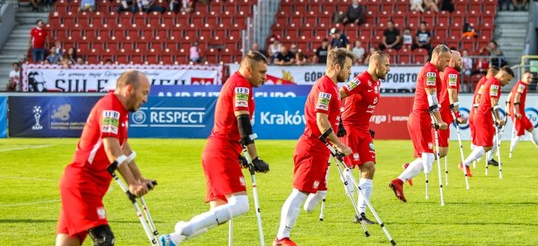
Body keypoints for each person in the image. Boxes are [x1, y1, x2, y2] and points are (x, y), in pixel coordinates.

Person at [160, 51, 270, 246]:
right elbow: (243, 121)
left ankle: (172, 239)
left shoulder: (238, 83)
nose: (265, 77)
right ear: (248, 69)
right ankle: (185, 227)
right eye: (261, 72)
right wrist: (254, 157)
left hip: (219, 150)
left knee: (219, 212)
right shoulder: (241, 85)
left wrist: (240, 155)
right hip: (221, 151)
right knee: (241, 205)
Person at [56, 70, 155, 246]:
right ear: (129, 89)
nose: (146, 99)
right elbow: (112, 147)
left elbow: (123, 147)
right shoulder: (110, 107)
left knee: (69, 241)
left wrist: (139, 178)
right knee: (104, 239)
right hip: (83, 183)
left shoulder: (120, 110)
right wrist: (132, 183)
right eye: (144, 92)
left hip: (89, 185)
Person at [273, 49, 354, 246]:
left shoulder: (332, 87)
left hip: (321, 148)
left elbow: (329, 118)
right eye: (348, 67)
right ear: (337, 67)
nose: (350, 72)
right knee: (299, 192)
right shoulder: (325, 87)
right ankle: (281, 238)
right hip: (311, 147)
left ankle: (299, 221)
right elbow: (321, 120)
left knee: (317, 191)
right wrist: (339, 144)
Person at [389, 45, 451, 203]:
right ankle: (400, 179)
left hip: (422, 117)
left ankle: (402, 177)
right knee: (428, 163)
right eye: (446, 60)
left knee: (428, 160)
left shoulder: (431, 70)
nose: (448, 63)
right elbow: (431, 98)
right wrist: (439, 120)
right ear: (438, 57)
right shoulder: (430, 71)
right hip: (421, 117)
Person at [339, 51, 390, 224]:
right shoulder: (360, 80)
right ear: (377, 65)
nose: (388, 69)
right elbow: (339, 93)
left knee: (369, 167)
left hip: (364, 130)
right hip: (350, 128)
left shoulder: (377, 82)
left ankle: (360, 214)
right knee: (350, 169)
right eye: (386, 65)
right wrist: (336, 119)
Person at [460, 66, 515, 176]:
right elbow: (494, 102)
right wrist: (498, 118)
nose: (508, 83)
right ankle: (465, 163)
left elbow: (480, 98)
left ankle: (467, 163)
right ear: (503, 75)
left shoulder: (491, 81)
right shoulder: (495, 83)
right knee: (486, 145)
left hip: (484, 115)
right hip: (483, 116)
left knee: (488, 144)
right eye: (508, 79)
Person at [507, 71, 538, 156]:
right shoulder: (521, 85)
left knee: (533, 131)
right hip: (519, 113)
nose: (530, 79)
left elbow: (509, 96)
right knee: (519, 135)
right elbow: (517, 97)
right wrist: (517, 112)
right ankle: (509, 153)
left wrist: (507, 109)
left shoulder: (518, 84)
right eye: (528, 77)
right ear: (522, 77)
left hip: (519, 113)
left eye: (531, 78)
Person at [437, 50, 467, 160]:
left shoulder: (441, 71)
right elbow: (452, 94)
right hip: (443, 114)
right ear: (452, 61)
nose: (461, 62)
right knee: (442, 151)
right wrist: (458, 114)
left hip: (438, 112)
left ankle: (415, 164)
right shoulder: (452, 73)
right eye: (459, 60)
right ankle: (411, 166)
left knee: (438, 149)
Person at [469, 66, 499, 152]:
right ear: (493, 74)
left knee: (486, 137)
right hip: (480, 113)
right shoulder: (485, 82)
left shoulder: (484, 81)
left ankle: (484, 157)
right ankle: (477, 158)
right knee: (482, 139)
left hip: (478, 112)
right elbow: (478, 98)